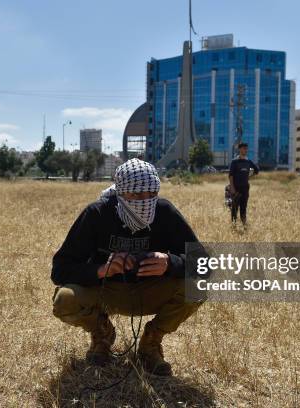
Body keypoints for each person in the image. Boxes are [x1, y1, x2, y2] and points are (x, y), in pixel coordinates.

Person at [51, 158, 203, 376]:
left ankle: (151, 342)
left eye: (151, 194)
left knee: (199, 288)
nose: (145, 201)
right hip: (106, 293)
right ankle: (101, 333)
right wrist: (101, 270)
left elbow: (204, 263)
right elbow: (60, 270)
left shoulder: (165, 212)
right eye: (136, 195)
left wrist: (170, 263)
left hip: (152, 291)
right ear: (120, 194)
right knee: (64, 299)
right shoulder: (97, 214)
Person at [228, 143, 259, 226]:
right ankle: (233, 225)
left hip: (245, 188)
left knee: (243, 207)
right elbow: (231, 175)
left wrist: (248, 177)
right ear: (240, 149)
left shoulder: (248, 161)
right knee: (234, 208)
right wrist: (232, 187)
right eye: (244, 148)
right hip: (236, 188)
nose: (245, 150)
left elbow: (256, 171)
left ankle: (244, 224)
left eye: (246, 148)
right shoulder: (234, 162)